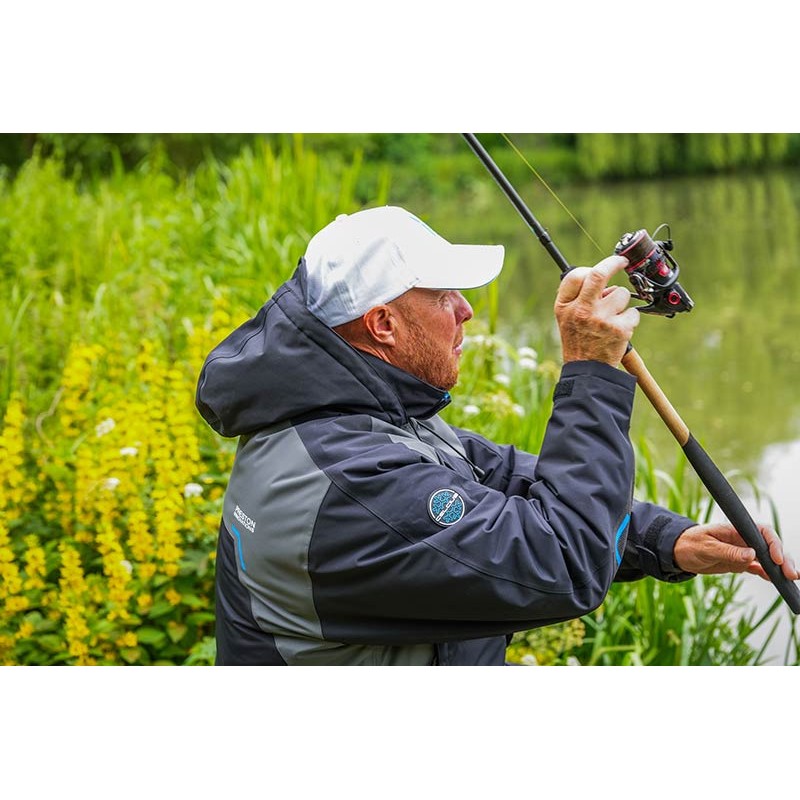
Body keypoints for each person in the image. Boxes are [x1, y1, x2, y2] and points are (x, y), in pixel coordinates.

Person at [195, 205, 798, 666]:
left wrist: (667, 540)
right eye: (444, 297)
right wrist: (591, 371)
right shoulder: (349, 484)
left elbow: (503, 480)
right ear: (382, 325)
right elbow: (564, 561)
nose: (467, 311)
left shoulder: (353, 418)